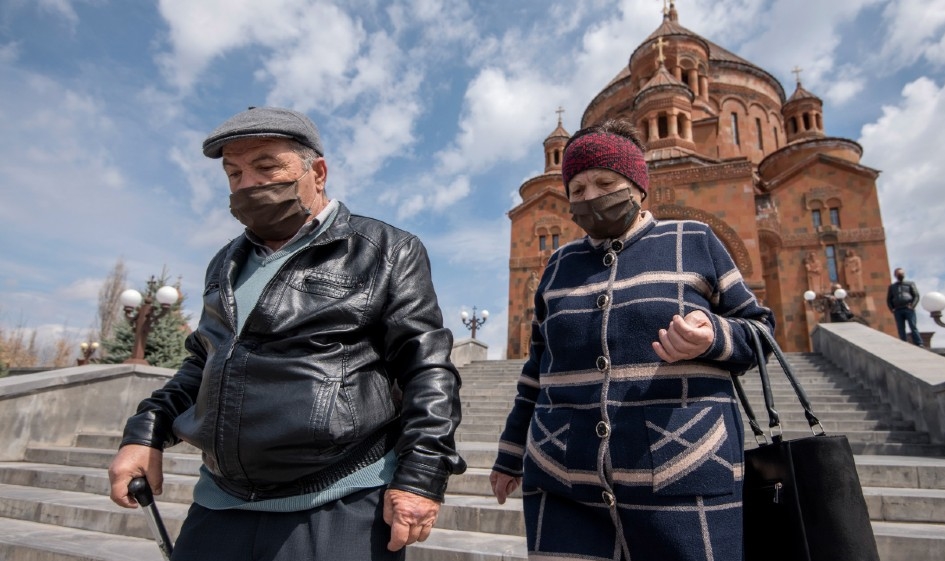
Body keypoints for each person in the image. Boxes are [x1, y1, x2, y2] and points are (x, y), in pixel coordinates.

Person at [107, 106, 466, 560]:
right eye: (233, 173)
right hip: (219, 505)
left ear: (317, 172)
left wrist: (420, 477)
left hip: (337, 505)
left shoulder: (386, 250)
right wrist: (145, 432)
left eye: (266, 166)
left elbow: (428, 369)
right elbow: (203, 361)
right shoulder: (226, 262)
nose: (247, 184)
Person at [489, 119, 775, 561]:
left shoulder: (694, 241)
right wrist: (510, 454)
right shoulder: (559, 265)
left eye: (604, 182)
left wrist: (713, 337)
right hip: (564, 478)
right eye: (577, 190)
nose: (591, 197)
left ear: (637, 185)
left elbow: (760, 332)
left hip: (684, 469)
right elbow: (536, 369)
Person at [887, 267, 924, 346]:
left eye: (901, 273)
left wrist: (913, 306)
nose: (900, 275)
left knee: (913, 326)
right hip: (898, 309)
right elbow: (889, 299)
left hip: (908, 308)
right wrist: (891, 309)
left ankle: (919, 342)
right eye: (898, 273)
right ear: (895, 275)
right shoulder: (892, 287)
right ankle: (903, 343)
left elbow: (916, 295)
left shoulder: (910, 284)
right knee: (900, 328)